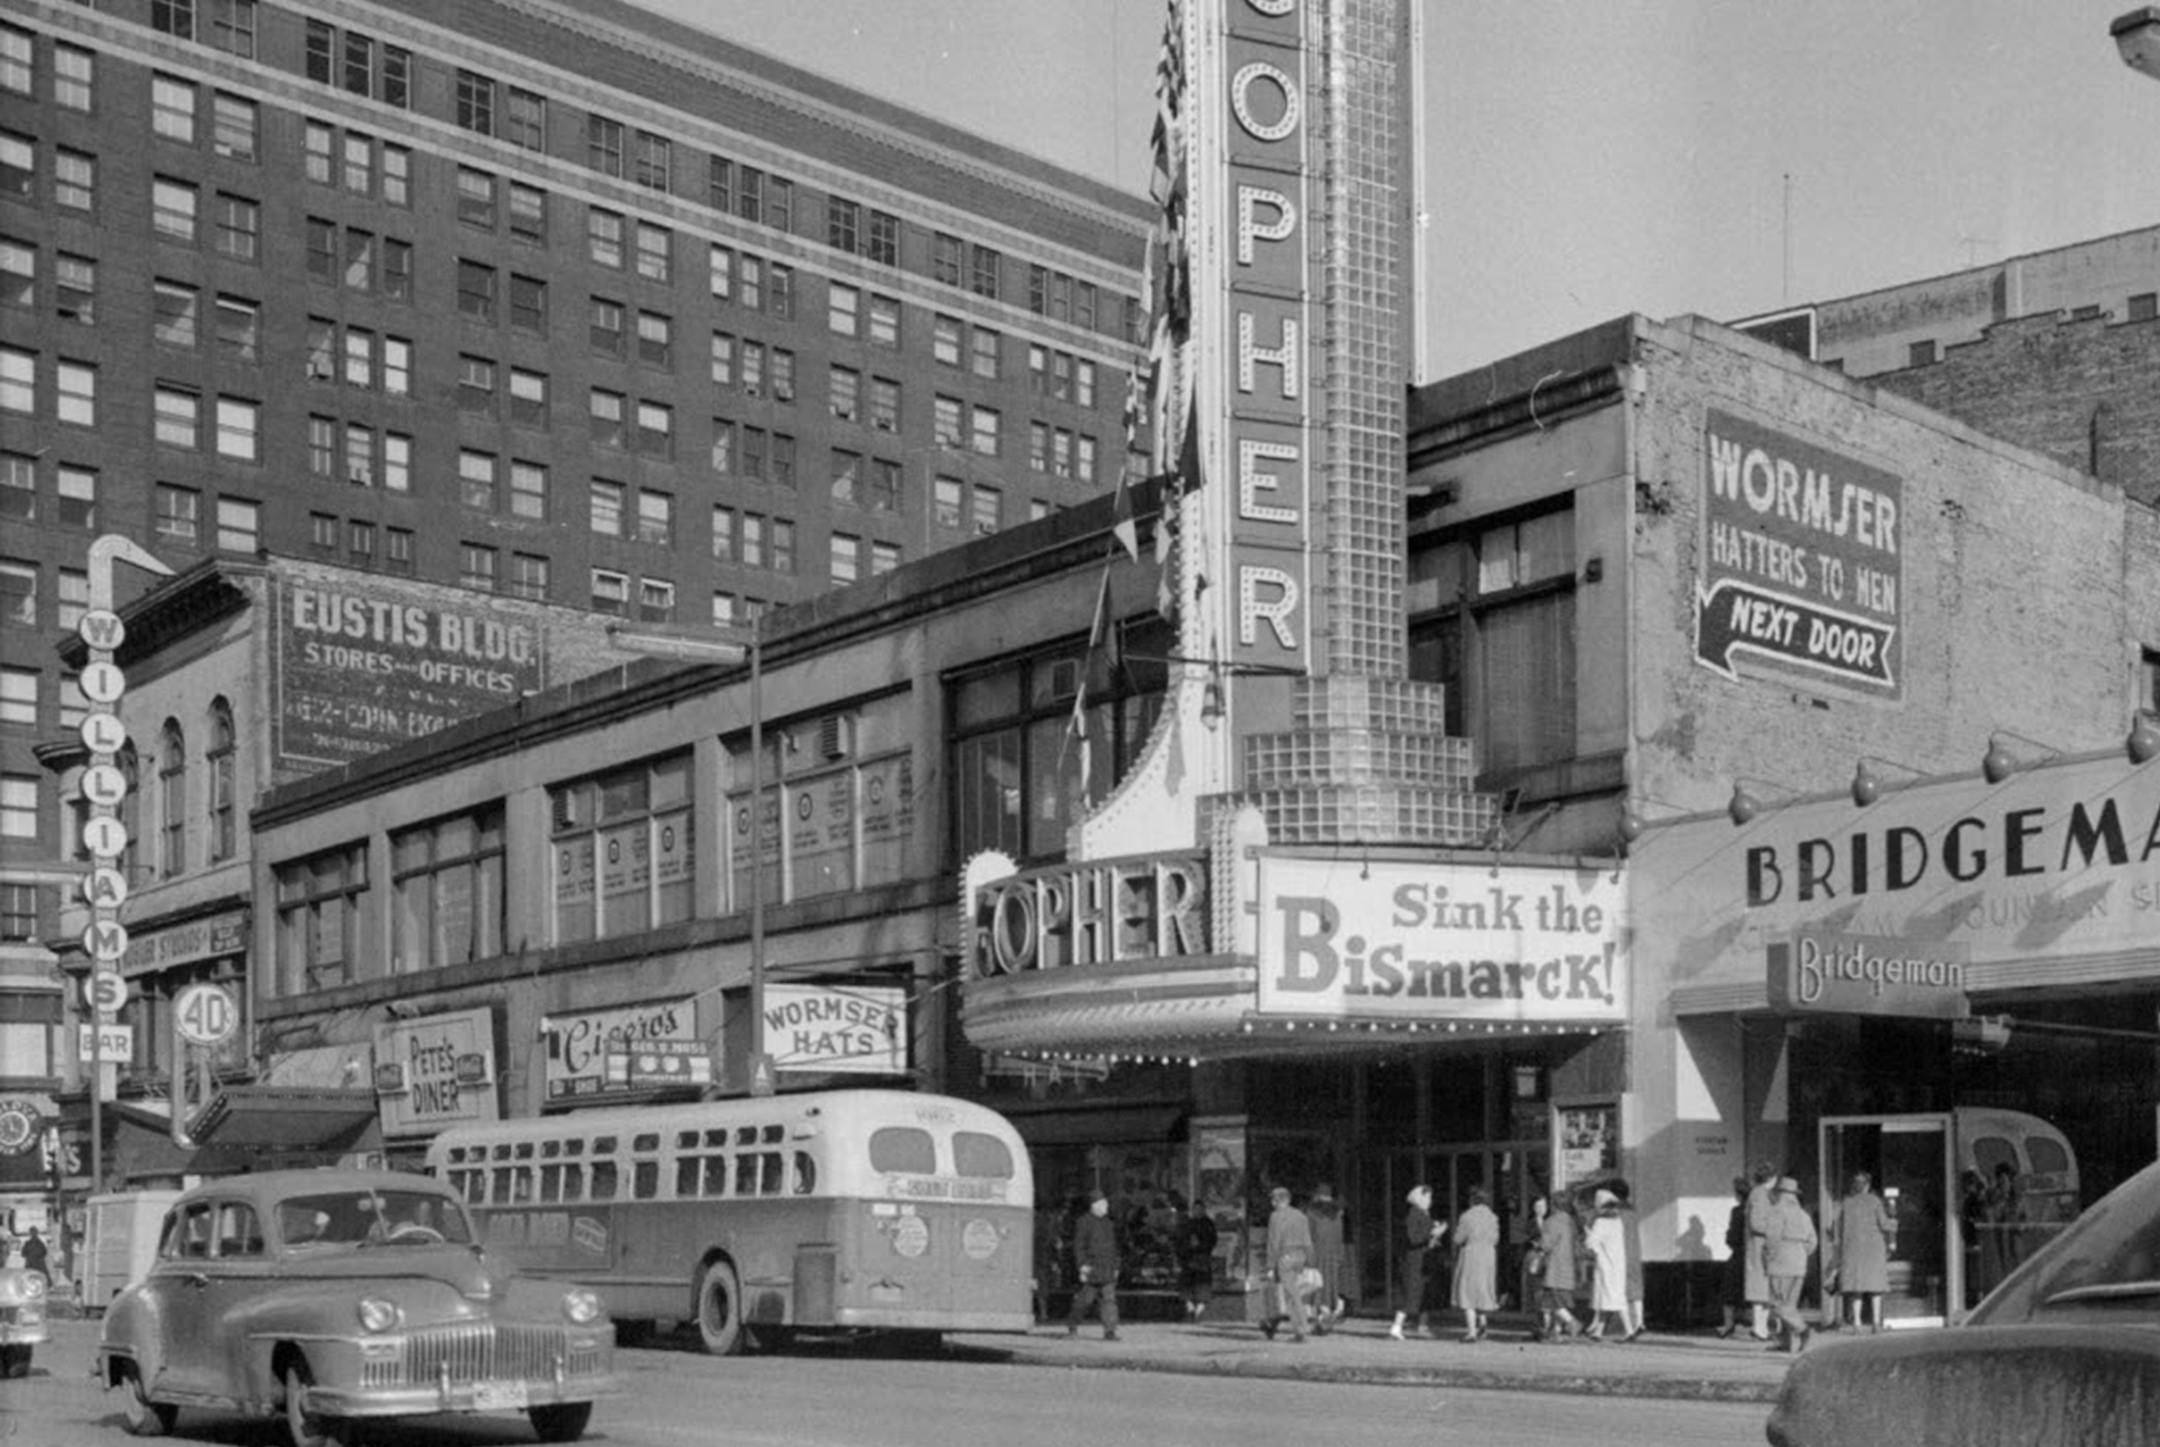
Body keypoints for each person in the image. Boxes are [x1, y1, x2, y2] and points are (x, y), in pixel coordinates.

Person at [1832, 1170, 1894, 1332]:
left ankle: (1857, 1323)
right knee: (1875, 1287)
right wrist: (1894, 1221)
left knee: (1856, 1289)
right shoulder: (1875, 1201)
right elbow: (1884, 1224)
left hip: (1852, 1250)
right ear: (1867, 1186)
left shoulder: (1846, 1203)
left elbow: (1837, 1227)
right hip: (1873, 1250)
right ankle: (1875, 1323)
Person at [1765, 1176, 1819, 1353]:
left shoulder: (1777, 1211)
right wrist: (1801, 1252)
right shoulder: (1804, 1215)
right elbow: (1813, 1241)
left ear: (1780, 1193)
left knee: (1777, 1304)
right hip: (1799, 1263)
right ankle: (1788, 1344)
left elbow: (1772, 1239)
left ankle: (1803, 1330)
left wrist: (1768, 1257)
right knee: (1790, 1305)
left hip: (1781, 1262)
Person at [1390, 1184, 1445, 1340]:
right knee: (1410, 1293)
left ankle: (1421, 1325)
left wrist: (1434, 1237)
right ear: (1419, 1198)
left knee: (1422, 1292)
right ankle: (1397, 1326)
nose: (1430, 1201)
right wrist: (1432, 1233)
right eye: (1427, 1197)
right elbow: (1414, 1237)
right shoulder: (1414, 1214)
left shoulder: (1423, 1214)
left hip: (1423, 1259)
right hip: (1414, 1261)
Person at [1066, 1190, 1121, 1341]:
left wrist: (1116, 1266)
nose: (1106, 1207)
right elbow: (1079, 1246)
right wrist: (1082, 1265)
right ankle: (1073, 1325)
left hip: (1107, 1268)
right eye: (1103, 1204)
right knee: (1085, 1301)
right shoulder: (1083, 1222)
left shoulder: (1109, 1223)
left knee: (1109, 1301)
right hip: (1092, 1268)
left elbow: (1113, 1247)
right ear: (1094, 1205)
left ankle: (1110, 1330)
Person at [1263, 1186, 1315, 1342]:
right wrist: (1310, 1261)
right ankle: (1296, 1326)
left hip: (1285, 1257)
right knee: (1294, 1292)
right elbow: (1308, 1240)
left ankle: (1301, 1329)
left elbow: (1274, 1242)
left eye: (1273, 1200)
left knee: (1291, 1295)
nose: (1272, 1203)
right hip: (1300, 1255)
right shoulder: (1300, 1216)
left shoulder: (1276, 1217)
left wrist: (1270, 1266)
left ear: (1279, 1201)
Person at [1449, 1186, 1500, 1342]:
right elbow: (1496, 1238)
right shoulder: (1493, 1217)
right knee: (1483, 1289)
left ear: (1472, 1200)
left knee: (1467, 1292)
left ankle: (1471, 1331)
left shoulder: (1467, 1216)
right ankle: (1483, 1325)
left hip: (1471, 1254)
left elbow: (1458, 1238)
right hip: (1488, 1255)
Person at [1533, 1191, 1583, 1342]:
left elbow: (1546, 1244)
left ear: (1553, 1205)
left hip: (1554, 1267)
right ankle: (1556, 1332)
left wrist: (1538, 1251)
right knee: (1561, 1300)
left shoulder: (1552, 1222)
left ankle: (1572, 1322)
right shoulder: (1571, 1221)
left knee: (1552, 1302)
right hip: (1569, 1266)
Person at [1583, 1188, 1630, 1340]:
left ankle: (1629, 1329)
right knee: (1611, 1298)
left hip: (1605, 1265)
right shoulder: (1618, 1221)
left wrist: (1587, 1231)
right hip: (1618, 1265)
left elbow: (1591, 1243)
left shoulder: (1600, 1222)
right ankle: (1599, 1331)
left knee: (1609, 1297)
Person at [1744, 1160, 1780, 1341]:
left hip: (1761, 1247)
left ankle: (1762, 1327)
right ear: (1771, 1178)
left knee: (1764, 1290)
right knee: (1760, 1289)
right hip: (1760, 1247)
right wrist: (1773, 1229)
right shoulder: (1760, 1195)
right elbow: (1756, 1222)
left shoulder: (1759, 1194)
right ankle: (1759, 1327)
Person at [1305, 1183, 1347, 1332]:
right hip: (1333, 1253)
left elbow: (1308, 1235)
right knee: (1330, 1284)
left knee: (1316, 1285)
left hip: (1317, 1252)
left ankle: (1322, 1316)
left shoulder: (1312, 1213)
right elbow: (1339, 1236)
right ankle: (1328, 1311)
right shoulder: (1337, 1213)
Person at [1609, 1178, 1647, 1340]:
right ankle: (1640, 1322)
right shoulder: (1632, 1210)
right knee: (1635, 1291)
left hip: (1620, 1255)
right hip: (1635, 1253)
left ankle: (1629, 1329)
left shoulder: (1614, 1212)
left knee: (1620, 1292)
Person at [1175, 1195, 1219, 1322]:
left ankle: (1197, 1310)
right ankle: (1191, 1309)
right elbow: (1181, 1241)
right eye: (1195, 1209)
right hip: (1190, 1260)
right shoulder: (1189, 1223)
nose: (1197, 1211)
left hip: (1201, 1259)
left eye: (1199, 1209)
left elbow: (1212, 1241)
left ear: (1203, 1210)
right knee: (1188, 1285)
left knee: (1202, 1285)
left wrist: (1200, 1246)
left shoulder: (1207, 1224)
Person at [1716, 1175, 1750, 1337]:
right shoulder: (1755, 1210)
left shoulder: (1737, 1212)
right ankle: (1757, 1324)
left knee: (1729, 1291)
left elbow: (1731, 1238)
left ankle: (1728, 1324)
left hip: (1738, 1255)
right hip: (1753, 1255)